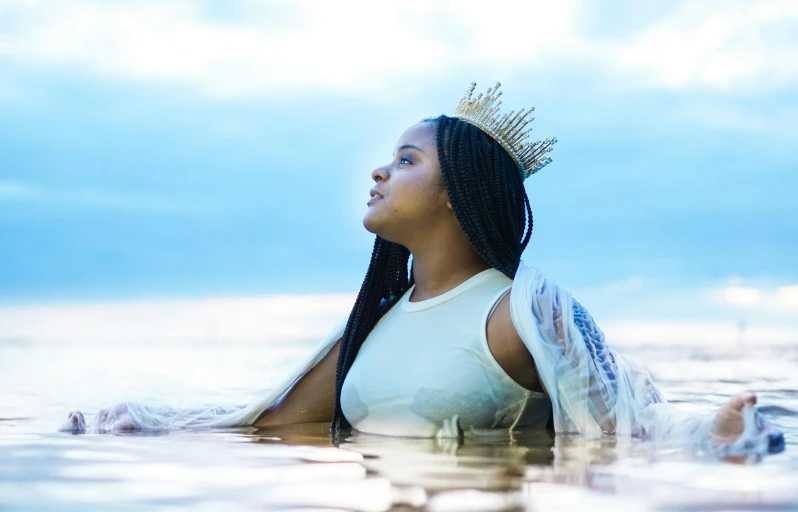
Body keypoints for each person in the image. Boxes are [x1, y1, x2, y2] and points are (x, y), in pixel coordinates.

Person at [63, 83, 784, 457]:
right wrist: (139, 425)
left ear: (454, 192)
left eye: (407, 160)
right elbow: (273, 425)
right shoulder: (371, 327)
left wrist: (708, 435)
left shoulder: (520, 312)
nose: (379, 169)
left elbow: (623, 420)